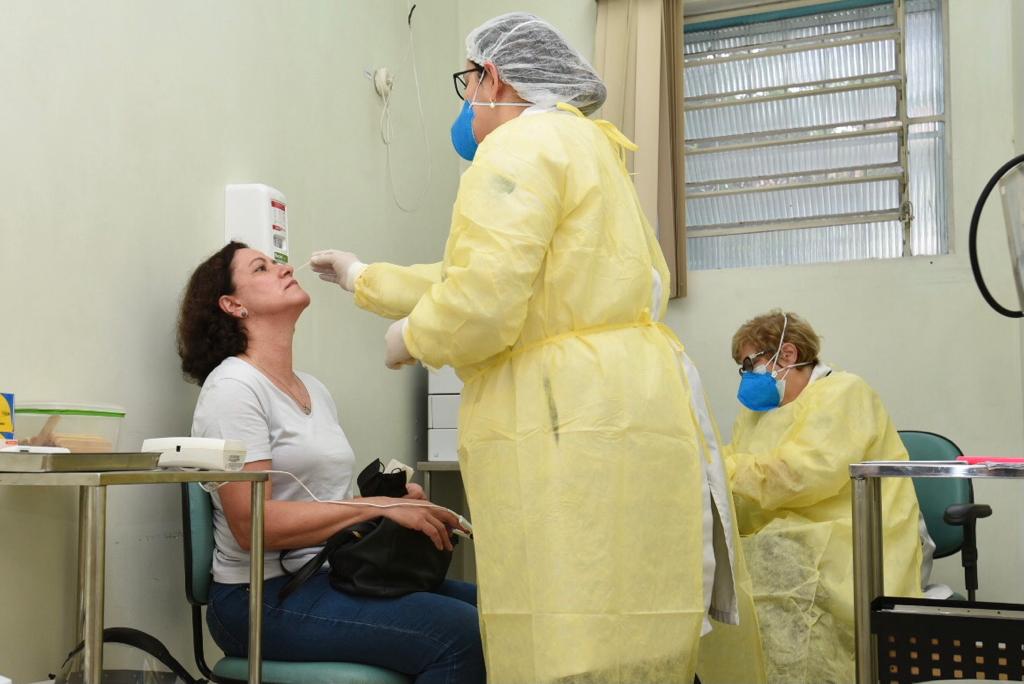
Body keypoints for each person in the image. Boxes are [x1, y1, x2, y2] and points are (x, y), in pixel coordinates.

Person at [311, 12, 744, 684]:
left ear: (495, 76)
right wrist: (365, 279)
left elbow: (482, 301)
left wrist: (412, 339)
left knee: (563, 617)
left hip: (564, 416)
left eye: (466, 82)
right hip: (627, 402)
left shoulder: (515, 149)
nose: (465, 105)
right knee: (624, 609)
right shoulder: (591, 148)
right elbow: (491, 275)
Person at [176, 242, 484, 684]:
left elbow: (320, 505)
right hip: (256, 599)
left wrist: (388, 502)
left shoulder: (312, 389)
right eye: (261, 268)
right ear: (233, 305)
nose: (282, 268)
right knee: (461, 636)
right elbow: (251, 525)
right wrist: (378, 508)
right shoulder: (233, 388)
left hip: (328, 577)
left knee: (497, 618)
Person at [726, 310, 923, 684]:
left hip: (849, 546)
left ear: (787, 355)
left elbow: (801, 475)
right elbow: (741, 478)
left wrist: (719, 468)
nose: (746, 378)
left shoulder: (845, 393)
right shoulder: (755, 415)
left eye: (750, 364)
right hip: (784, 545)